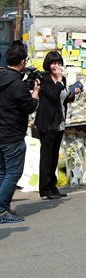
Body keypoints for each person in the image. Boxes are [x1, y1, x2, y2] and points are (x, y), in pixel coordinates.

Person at [0, 41, 40, 223]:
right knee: (13, 174)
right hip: (12, 135)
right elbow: (30, 106)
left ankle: (3, 207)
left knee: (2, 172)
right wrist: (36, 92)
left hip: (1, 133)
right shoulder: (17, 85)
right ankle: (2, 210)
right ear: (22, 62)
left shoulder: (2, 78)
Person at [34, 51, 81, 200]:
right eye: (54, 63)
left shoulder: (63, 80)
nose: (57, 66)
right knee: (47, 156)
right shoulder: (44, 79)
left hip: (59, 122)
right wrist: (59, 80)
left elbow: (63, 99)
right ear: (48, 65)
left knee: (54, 156)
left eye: (59, 63)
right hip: (47, 122)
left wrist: (73, 94)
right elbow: (53, 95)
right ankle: (45, 189)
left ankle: (52, 186)